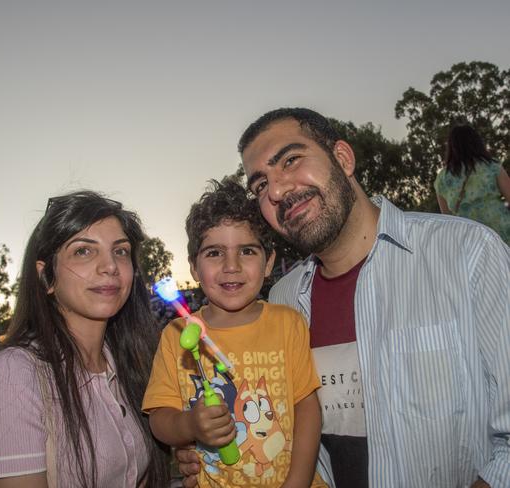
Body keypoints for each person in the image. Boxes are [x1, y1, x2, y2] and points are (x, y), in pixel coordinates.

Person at [178, 108, 510, 487]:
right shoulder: (284, 302)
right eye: (259, 186)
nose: (277, 191)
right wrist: (204, 447)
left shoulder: (467, 254)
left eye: (290, 160)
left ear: (343, 158)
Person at [0, 191, 169, 487]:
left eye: (120, 251)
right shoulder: (13, 375)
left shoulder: (129, 362)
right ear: (46, 277)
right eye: (83, 251)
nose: (110, 266)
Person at [143, 179, 325, 488]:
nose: (231, 266)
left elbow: (306, 407)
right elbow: (159, 418)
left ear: (268, 262)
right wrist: (190, 424)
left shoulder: (288, 323)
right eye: (214, 253)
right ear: (194, 268)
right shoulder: (175, 334)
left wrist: (297, 482)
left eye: (247, 251)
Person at [434, 123, 510, 244]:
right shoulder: (491, 166)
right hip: (501, 234)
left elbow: (448, 220)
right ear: (476, 143)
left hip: (471, 242)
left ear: (452, 147)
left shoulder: (442, 180)